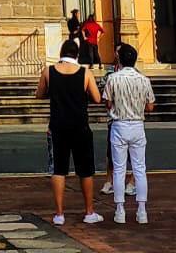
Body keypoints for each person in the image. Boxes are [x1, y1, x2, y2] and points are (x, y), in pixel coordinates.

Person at [36, 39, 103, 227]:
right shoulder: (85, 72)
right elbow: (97, 98)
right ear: (77, 54)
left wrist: (55, 92)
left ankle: (59, 214)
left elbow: (39, 93)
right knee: (85, 169)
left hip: (57, 126)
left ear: (61, 52)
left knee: (58, 169)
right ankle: (89, 211)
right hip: (80, 125)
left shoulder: (48, 71)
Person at [101, 43, 154, 224]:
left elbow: (107, 103)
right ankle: (142, 210)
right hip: (138, 124)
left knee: (119, 168)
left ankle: (120, 209)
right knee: (140, 168)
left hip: (119, 124)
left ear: (120, 59)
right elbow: (150, 106)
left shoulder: (113, 79)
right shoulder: (144, 80)